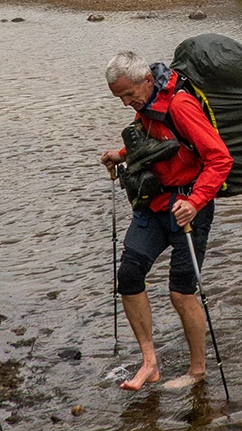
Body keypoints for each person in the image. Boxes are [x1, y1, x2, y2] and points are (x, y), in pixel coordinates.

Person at [100, 50, 233, 392]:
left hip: (190, 207)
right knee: (129, 275)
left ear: (147, 80)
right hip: (154, 202)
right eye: (120, 98)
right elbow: (155, 141)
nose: (127, 103)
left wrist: (195, 201)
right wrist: (123, 155)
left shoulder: (181, 106)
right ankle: (150, 363)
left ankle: (198, 371)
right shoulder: (147, 104)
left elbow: (220, 159)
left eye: (129, 94)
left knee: (181, 293)